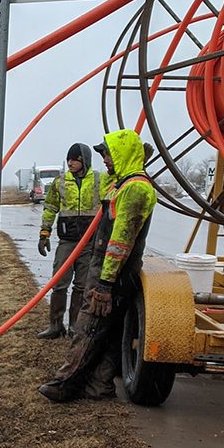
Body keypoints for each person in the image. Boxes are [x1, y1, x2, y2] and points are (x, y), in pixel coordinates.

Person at [38, 130, 156, 402]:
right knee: (107, 330)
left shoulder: (135, 189)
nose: (104, 158)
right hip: (100, 263)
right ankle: (99, 385)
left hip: (112, 271)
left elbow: (121, 240)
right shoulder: (123, 184)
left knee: (90, 326)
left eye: (108, 153)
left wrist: (105, 284)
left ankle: (65, 384)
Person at [36, 143, 103, 339]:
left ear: (84, 161)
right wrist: (44, 233)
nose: (70, 163)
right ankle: (55, 325)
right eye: (68, 159)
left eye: (74, 159)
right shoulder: (60, 182)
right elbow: (50, 208)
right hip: (67, 242)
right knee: (59, 283)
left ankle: (75, 326)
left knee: (82, 286)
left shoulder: (100, 180)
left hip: (89, 243)